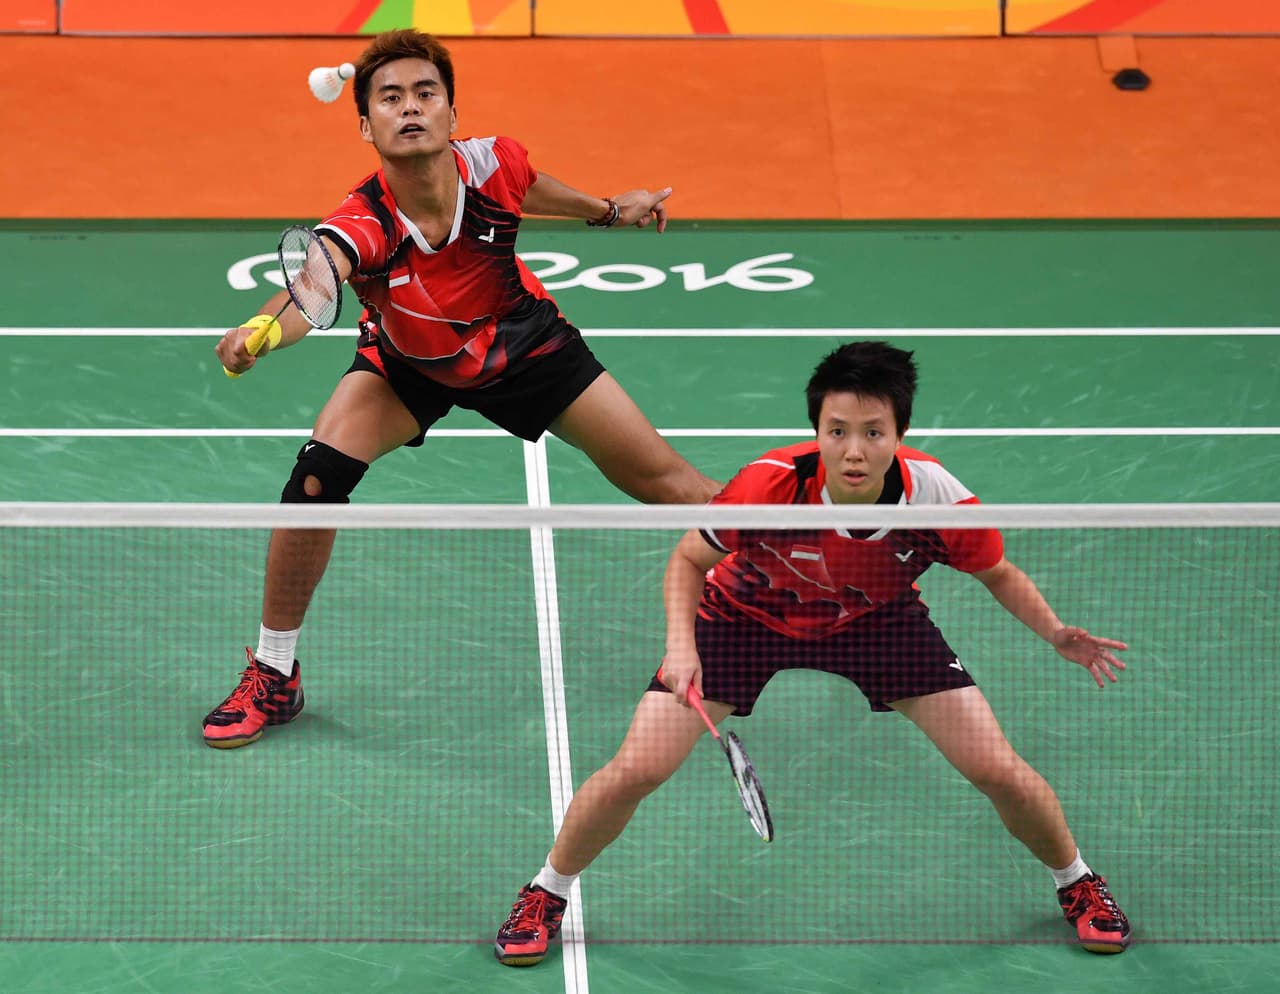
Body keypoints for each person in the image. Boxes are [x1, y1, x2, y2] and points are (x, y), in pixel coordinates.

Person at [495, 340, 1132, 966]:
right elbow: (689, 558)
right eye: (838, 431)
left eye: (874, 433)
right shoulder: (769, 486)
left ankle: (1075, 879)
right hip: (742, 619)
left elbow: (997, 572)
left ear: (900, 433)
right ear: (817, 430)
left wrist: (1054, 632)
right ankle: (546, 891)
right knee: (638, 768)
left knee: (997, 768)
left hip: (877, 623)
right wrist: (680, 647)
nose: (854, 450)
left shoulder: (936, 498)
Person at [204, 29, 719, 748]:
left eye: (425, 94)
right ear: (366, 125)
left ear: (450, 114)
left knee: (671, 484)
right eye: (390, 98)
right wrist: (256, 332)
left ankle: (796, 579)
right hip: (409, 363)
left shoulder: (492, 162)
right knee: (316, 478)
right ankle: (275, 671)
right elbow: (310, 286)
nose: (410, 108)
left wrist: (606, 210)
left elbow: (530, 188)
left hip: (522, 343)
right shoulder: (363, 222)